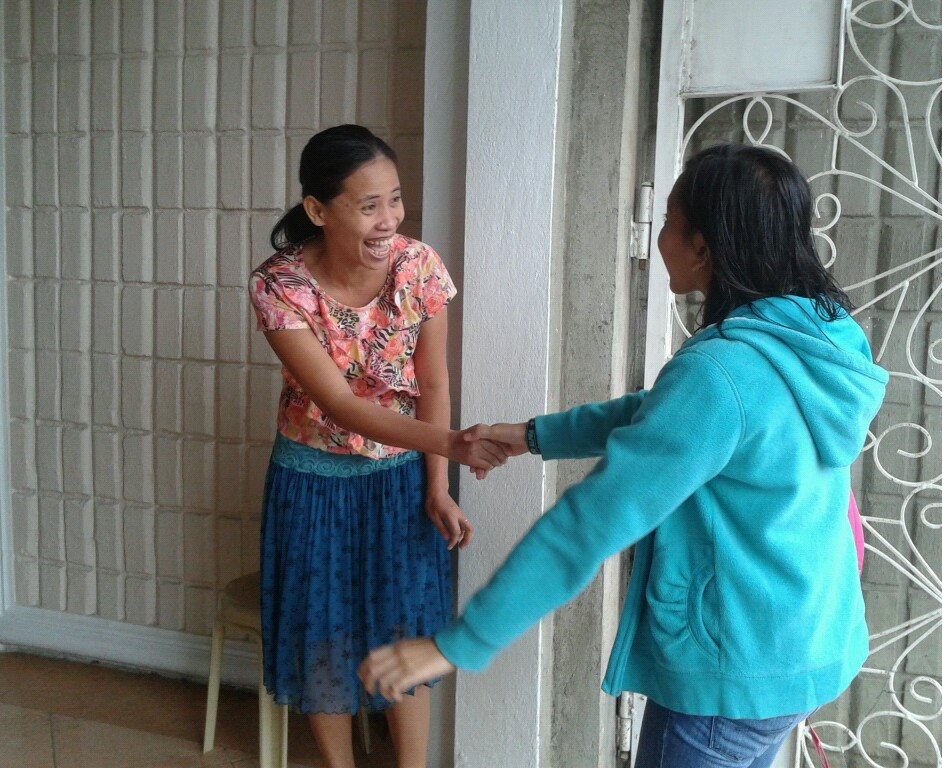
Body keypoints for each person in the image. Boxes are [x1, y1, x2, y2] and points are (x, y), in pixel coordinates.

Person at [359, 144, 888, 768]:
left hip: (730, 673)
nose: (660, 238)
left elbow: (588, 524)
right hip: (807, 641)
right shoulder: (815, 336)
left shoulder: (722, 373)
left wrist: (458, 644)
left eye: (669, 223)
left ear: (702, 247)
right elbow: (665, 413)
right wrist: (532, 436)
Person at [248, 124, 507, 768]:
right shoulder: (279, 287)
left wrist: (438, 485)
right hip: (312, 483)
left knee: (405, 631)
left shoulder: (419, 268)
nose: (389, 219)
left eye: (395, 199)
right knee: (322, 633)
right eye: (368, 205)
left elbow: (434, 383)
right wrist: (452, 443)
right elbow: (342, 406)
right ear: (318, 210)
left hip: (401, 480)